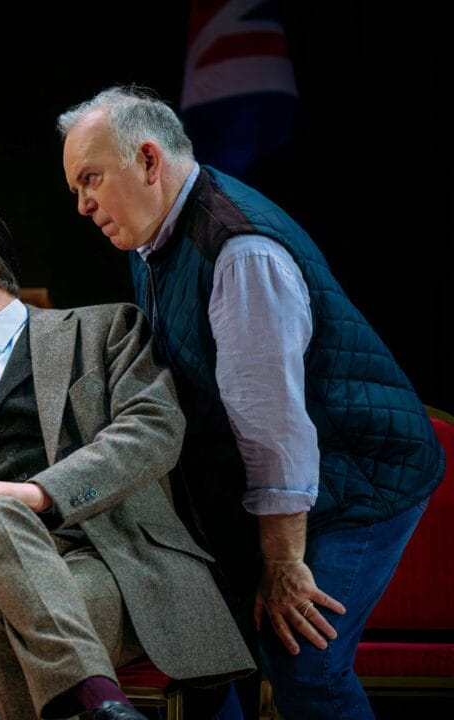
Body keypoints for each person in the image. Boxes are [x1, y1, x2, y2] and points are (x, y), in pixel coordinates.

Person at [56, 85, 445, 719]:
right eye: (75, 188)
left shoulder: (240, 253)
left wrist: (284, 562)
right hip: (284, 477)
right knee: (214, 640)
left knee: (303, 660)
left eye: (90, 179)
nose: (82, 204)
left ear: (149, 161)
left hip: (362, 478)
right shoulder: (153, 233)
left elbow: (275, 430)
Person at [0, 198, 254, 720]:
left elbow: (154, 431)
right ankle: (100, 704)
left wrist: (39, 493)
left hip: (116, 565)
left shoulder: (105, 330)